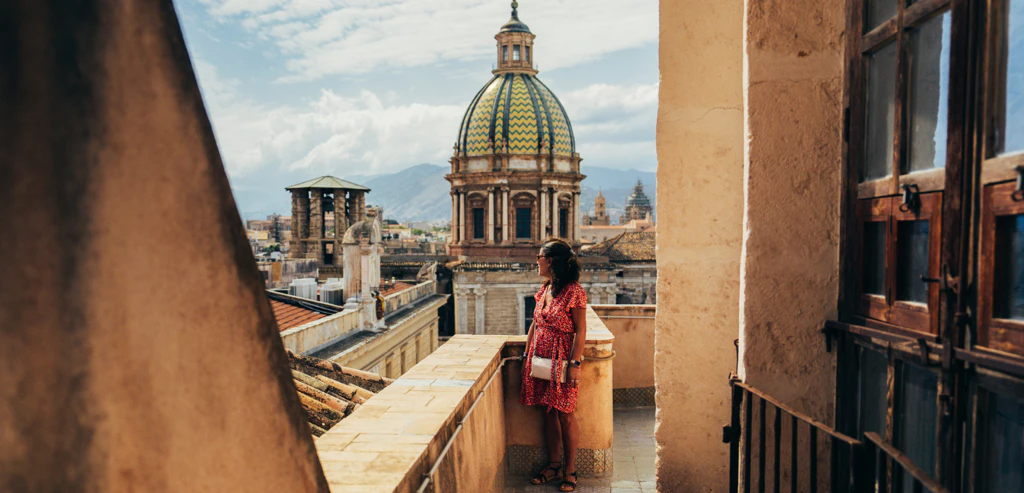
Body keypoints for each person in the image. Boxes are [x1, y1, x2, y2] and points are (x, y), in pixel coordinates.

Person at [521, 238, 588, 492]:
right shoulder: (545, 289)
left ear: (550, 261)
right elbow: (535, 323)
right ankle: (553, 464)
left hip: (562, 359)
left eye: (539, 257)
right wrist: (527, 354)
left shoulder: (575, 291)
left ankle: (570, 471)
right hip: (540, 360)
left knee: (566, 414)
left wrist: (574, 363)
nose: (536, 261)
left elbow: (580, 330)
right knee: (548, 412)